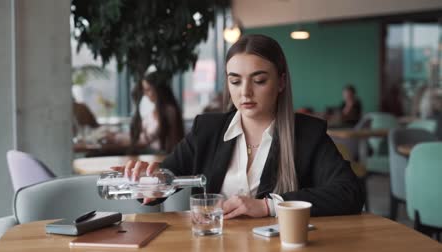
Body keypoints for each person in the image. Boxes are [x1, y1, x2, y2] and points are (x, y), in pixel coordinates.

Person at [112, 34, 364, 219]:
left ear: (281, 82)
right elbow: (166, 177)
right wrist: (149, 182)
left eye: (259, 80)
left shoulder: (307, 134)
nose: (245, 92)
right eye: (235, 81)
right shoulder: (207, 130)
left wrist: (268, 206)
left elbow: (349, 193)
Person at [111, 72, 184, 154]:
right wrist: (117, 136)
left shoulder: (169, 111)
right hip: (151, 153)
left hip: (159, 154)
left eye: (148, 89)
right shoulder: (155, 110)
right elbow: (142, 136)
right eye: (144, 90)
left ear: (158, 89)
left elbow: (149, 139)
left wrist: (118, 138)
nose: (145, 94)